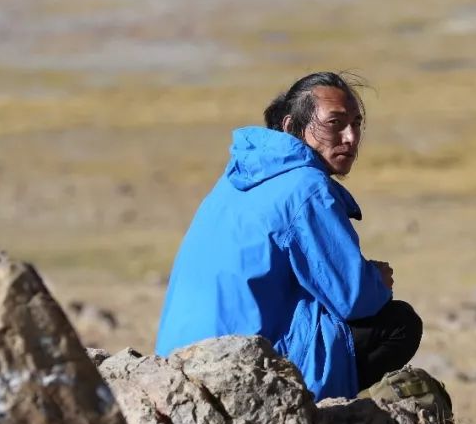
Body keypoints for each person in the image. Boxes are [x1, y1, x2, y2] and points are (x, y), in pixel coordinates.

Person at [155, 71, 422, 401]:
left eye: (356, 123)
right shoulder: (306, 187)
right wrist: (377, 281)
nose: (351, 137)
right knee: (400, 324)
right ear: (289, 125)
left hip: (176, 363)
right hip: (241, 369)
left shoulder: (237, 178)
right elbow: (353, 299)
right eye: (335, 122)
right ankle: (328, 419)